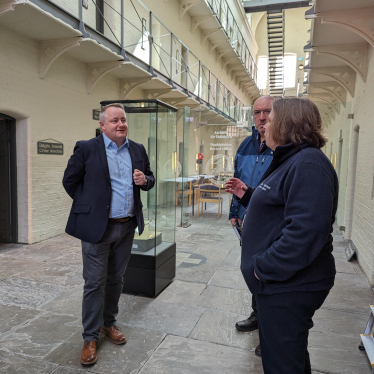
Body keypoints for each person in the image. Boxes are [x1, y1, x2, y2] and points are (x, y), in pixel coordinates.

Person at [225, 97, 337, 374]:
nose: (264, 124)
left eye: (271, 118)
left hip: (288, 286)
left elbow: (304, 234)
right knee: (284, 357)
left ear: (287, 124)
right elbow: (281, 203)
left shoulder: (308, 165)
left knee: (284, 364)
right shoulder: (293, 160)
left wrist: (261, 268)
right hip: (281, 284)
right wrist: (248, 194)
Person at [63, 103, 155, 366]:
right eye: (114, 120)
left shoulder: (137, 149)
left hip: (126, 227)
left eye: (123, 120)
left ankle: (108, 323)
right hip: (98, 230)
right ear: (103, 125)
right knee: (94, 282)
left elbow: (150, 178)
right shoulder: (87, 148)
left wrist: (144, 181)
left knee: (116, 278)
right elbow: (70, 181)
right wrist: (89, 209)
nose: (120, 124)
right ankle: (90, 337)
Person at [229, 96, 274, 353]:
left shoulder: (280, 147)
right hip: (247, 219)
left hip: (270, 221)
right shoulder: (245, 146)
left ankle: (270, 329)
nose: (262, 117)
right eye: (257, 112)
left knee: (268, 271)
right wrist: (235, 212)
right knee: (252, 269)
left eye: (267, 111)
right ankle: (258, 315)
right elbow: (237, 180)